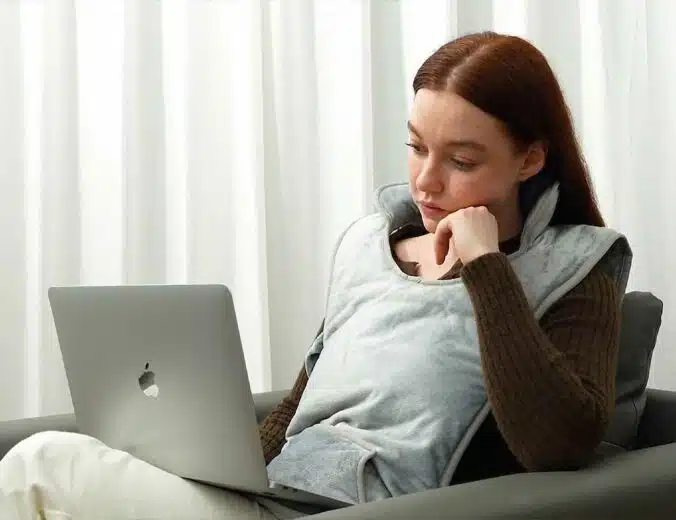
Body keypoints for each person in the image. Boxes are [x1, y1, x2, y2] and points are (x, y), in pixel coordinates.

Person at [0, 31, 631, 520]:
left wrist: (488, 267)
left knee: (40, 463)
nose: (426, 180)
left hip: (361, 511)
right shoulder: (368, 245)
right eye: (416, 147)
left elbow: (558, 442)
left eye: (461, 160)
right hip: (281, 498)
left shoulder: (578, 264)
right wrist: (223, 464)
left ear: (530, 158)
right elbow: (304, 405)